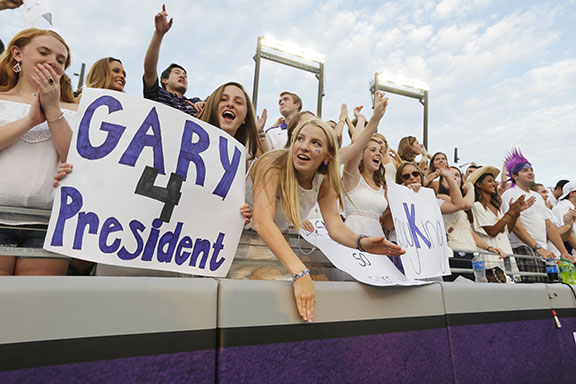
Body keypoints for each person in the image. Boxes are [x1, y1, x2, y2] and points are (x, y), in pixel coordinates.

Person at [250, 117, 405, 322]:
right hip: (240, 241)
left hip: (268, 247)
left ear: (327, 156)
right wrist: (300, 272)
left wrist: (361, 242)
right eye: (300, 139)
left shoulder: (323, 180)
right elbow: (262, 221)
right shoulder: (273, 164)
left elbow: (335, 227)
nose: (304, 147)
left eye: (316, 143)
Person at [0, 28, 76, 276]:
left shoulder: (73, 109)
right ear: (17, 53)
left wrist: (53, 111)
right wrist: (30, 120)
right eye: (44, 52)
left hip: (47, 224)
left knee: (35, 310)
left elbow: (78, 160)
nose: (52, 62)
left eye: (60, 60)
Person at [501, 149, 574, 282]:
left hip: (544, 251)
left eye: (531, 169)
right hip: (522, 248)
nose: (530, 172)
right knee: (532, 292)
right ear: (515, 176)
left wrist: (564, 251)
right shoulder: (510, 194)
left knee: (550, 290)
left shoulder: (537, 197)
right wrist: (537, 247)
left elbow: (549, 226)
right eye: (524, 170)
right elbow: (516, 226)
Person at [468, 166, 533, 281]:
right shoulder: (477, 206)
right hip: (490, 258)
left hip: (506, 254)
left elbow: (506, 230)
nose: (494, 184)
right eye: (489, 181)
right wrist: (511, 211)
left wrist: (516, 212)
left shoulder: (496, 207)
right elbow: (493, 232)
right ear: (479, 185)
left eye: (494, 181)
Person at [341, 92, 390, 237]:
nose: (379, 154)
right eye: (373, 150)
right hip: (353, 239)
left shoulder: (382, 184)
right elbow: (356, 144)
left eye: (380, 151)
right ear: (361, 154)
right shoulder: (352, 177)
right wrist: (365, 119)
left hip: (377, 239)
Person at [143, 4, 203, 116]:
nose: (183, 76)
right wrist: (159, 34)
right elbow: (149, 69)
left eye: (185, 75)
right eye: (177, 73)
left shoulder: (195, 103)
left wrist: (204, 113)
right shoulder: (157, 94)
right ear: (165, 80)